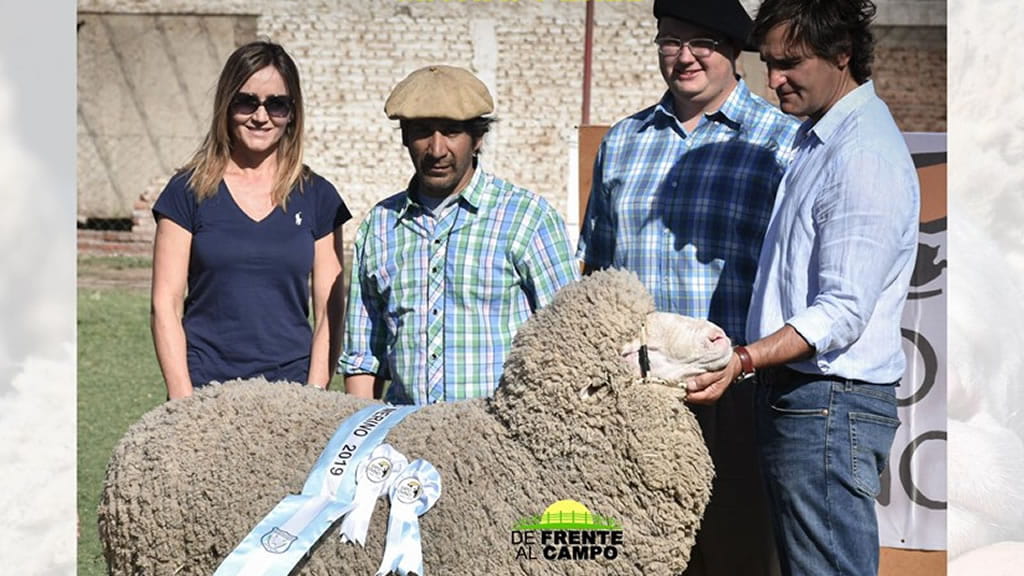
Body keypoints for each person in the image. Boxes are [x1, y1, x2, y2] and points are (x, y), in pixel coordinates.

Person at [686, 0, 920, 574]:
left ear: (842, 54)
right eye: (767, 63)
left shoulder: (861, 153)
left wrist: (743, 360)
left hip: (829, 403)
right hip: (809, 403)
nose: (774, 80)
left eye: (790, 63)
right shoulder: (821, 139)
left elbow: (841, 312)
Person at [576, 0, 799, 573]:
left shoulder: (780, 144)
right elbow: (595, 271)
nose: (685, 56)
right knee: (632, 558)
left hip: (734, 395)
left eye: (701, 41)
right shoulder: (623, 142)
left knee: (734, 556)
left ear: (731, 49)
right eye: (671, 41)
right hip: (634, 399)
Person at [339, 65, 579, 405]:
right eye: (423, 132)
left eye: (451, 132)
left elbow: (569, 339)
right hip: (406, 438)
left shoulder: (528, 219)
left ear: (477, 138)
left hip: (501, 440)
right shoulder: (380, 227)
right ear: (405, 137)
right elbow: (364, 355)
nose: (436, 149)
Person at [150, 41, 351, 400]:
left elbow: (329, 309)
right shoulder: (187, 191)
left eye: (277, 104)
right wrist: (183, 401)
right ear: (226, 105)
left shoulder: (319, 196)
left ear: (292, 112)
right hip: (205, 391)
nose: (261, 116)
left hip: (290, 396)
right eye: (247, 101)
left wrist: (314, 395)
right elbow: (165, 302)